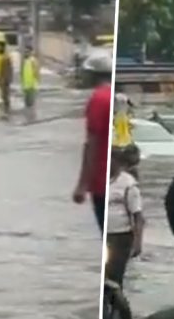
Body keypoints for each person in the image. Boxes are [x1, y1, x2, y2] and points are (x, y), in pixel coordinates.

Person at [72, 54, 112, 232]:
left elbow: (91, 144)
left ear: (94, 75)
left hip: (101, 182)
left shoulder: (98, 100)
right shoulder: (116, 97)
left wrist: (82, 184)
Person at [106, 145, 145, 287]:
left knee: (114, 278)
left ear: (118, 162)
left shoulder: (128, 184)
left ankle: (119, 307)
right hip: (104, 235)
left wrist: (138, 243)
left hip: (120, 237)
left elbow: (138, 216)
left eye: (111, 159)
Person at [21, 44, 40, 122]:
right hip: (26, 85)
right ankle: (28, 118)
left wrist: (36, 83)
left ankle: (32, 118)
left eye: (28, 51)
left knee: (31, 103)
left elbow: (36, 72)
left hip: (32, 85)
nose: (26, 53)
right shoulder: (26, 60)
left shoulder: (33, 60)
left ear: (31, 52)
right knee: (27, 103)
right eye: (25, 51)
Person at [0, 40, 13, 119]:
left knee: (5, 95)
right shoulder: (3, 56)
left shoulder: (5, 58)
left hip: (5, 80)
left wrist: (3, 80)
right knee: (3, 95)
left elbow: (6, 70)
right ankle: (6, 109)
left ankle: (6, 110)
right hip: (3, 79)